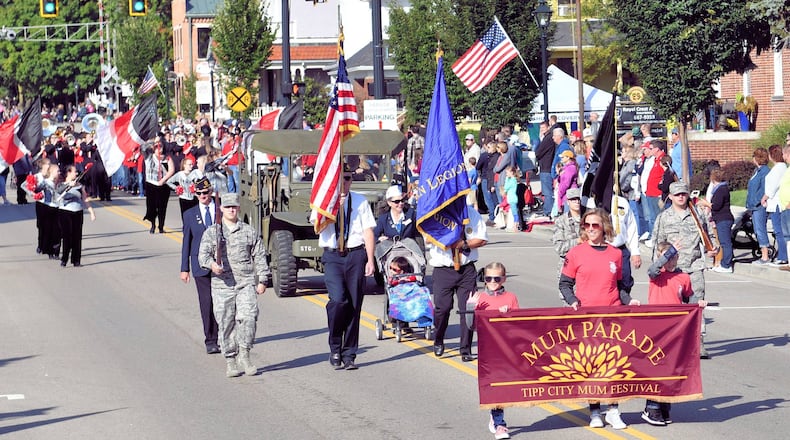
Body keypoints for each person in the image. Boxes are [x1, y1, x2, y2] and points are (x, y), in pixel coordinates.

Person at [559, 208, 640, 429]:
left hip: (612, 316)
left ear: (604, 227)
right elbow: (564, 284)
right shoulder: (575, 253)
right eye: (587, 225)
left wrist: (629, 300)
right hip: (587, 318)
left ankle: (613, 409)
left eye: (595, 225)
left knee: (613, 363)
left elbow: (621, 286)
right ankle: (595, 411)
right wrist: (572, 300)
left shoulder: (615, 253)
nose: (591, 229)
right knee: (591, 364)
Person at [198, 192, 269, 378]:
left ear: (238, 208)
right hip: (223, 286)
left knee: (249, 318)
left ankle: (244, 354)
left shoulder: (248, 231)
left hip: (245, 282)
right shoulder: (213, 232)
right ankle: (230, 360)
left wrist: (262, 279)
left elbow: (259, 254)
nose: (231, 209)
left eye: (234, 207)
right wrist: (213, 265)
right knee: (226, 323)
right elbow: (202, 256)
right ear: (220, 209)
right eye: (227, 206)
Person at [312, 165, 376, 370]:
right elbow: (317, 227)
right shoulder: (324, 201)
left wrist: (370, 259)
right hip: (333, 256)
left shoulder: (360, 201)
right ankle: (335, 345)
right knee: (338, 300)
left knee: (354, 304)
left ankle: (349, 354)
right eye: (340, 178)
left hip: (355, 255)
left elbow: (368, 232)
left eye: (347, 178)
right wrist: (333, 208)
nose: (344, 182)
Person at [641, 241, 707, 426]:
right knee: (657, 367)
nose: (671, 261)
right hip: (656, 329)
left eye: (674, 257)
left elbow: (689, 297)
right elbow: (653, 268)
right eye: (667, 257)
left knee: (670, 368)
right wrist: (669, 252)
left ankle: (664, 406)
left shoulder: (683, 277)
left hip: (674, 330)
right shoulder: (656, 275)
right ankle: (651, 407)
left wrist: (698, 303)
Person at [652, 181, 718, 358]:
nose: (681, 197)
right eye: (677, 194)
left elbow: (709, 234)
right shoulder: (664, 218)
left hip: (694, 266)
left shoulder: (697, 214)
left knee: (697, 306)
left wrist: (713, 248)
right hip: (672, 270)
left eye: (684, 194)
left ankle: (698, 342)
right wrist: (657, 269)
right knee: (670, 309)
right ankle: (668, 342)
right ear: (671, 197)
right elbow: (657, 243)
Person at [427, 205, 488, 362]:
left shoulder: (470, 213)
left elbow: (481, 239)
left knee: (468, 310)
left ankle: (465, 349)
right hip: (443, 269)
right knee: (442, 308)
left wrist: (463, 245)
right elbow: (427, 237)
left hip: (466, 269)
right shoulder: (435, 212)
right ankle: (438, 339)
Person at [467, 262, 519, 440]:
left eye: (497, 278)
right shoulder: (479, 298)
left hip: (506, 349)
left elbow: (519, 325)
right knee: (495, 387)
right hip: (488, 350)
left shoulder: (511, 297)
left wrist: (508, 314)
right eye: (488, 278)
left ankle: (494, 415)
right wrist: (470, 308)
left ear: (503, 279)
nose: (493, 282)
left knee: (505, 387)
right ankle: (500, 424)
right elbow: (471, 326)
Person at [180, 177, 220, 355]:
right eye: (199, 193)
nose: (203, 196)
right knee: (207, 302)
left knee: (222, 303)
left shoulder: (221, 210)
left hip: (220, 264)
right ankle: (210, 339)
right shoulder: (189, 214)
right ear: (195, 194)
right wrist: (184, 268)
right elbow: (186, 242)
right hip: (200, 265)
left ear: (211, 192)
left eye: (206, 192)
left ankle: (224, 336)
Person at [55, 165, 96, 267]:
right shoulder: (61, 185)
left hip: (77, 212)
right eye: (74, 172)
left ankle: (76, 260)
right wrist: (69, 185)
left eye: (77, 172)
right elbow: (59, 192)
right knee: (67, 237)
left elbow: (85, 199)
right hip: (65, 212)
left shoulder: (80, 185)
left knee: (77, 237)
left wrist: (91, 212)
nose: (76, 173)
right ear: (68, 173)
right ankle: (64, 259)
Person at [700, 168, 735, 273]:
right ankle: (723, 262)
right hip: (721, 219)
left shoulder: (721, 189)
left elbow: (716, 206)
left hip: (723, 219)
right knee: (723, 242)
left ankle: (726, 265)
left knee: (725, 242)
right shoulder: (721, 188)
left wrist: (706, 204)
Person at [762, 145, 788, 266]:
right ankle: (782, 255)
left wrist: (765, 197)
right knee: (779, 231)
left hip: (777, 203)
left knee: (779, 231)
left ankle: (783, 256)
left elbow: (773, 186)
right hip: (777, 202)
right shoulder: (781, 167)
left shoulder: (779, 168)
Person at [746, 148, 771, 265]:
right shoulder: (757, 170)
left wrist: (755, 201)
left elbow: (763, 190)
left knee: (760, 230)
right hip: (753, 206)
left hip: (759, 206)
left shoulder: (765, 171)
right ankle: (763, 253)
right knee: (757, 230)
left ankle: (765, 256)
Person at [143, 144, 175, 233]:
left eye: (160, 146)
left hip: (163, 185)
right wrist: (152, 141)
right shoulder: (148, 157)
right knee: (151, 207)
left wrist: (163, 180)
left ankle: (161, 226)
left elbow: (171, 170)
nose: (158, 148)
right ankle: (153, 225)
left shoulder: (167, 158)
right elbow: (143, 147)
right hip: (151, 184)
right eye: (156, 146)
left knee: (162, 207)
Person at [535, 121, 556, 217]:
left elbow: (538, 152)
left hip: (546, 167)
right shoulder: (548, 138)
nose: (541, 130)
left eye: (543, 128)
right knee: (547, 191)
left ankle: (548, 211)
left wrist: (540, 140)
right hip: (546, 167)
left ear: (548, 128)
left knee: (547, 192)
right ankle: (548, 210)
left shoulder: (548, 139)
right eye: (540, 128)